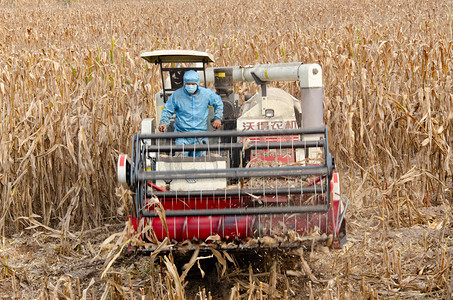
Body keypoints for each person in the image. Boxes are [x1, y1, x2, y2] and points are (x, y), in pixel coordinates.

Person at [158, 70, 223, 157]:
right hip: (182, 136)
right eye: (188, 84)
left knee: (200, 162)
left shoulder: (206, 94)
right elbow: (167, 110)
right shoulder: (177, 95)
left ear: (197, 83)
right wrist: (163, 122)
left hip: (200, 136)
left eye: (193, 84)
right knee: (181, 162)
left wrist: (218, 118)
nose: (190, 86)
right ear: (184, 83)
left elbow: (218, 103)